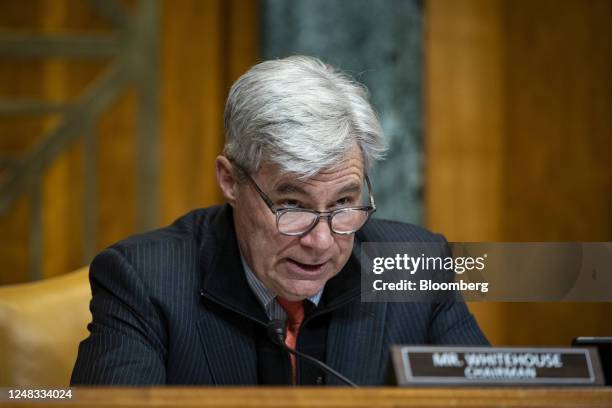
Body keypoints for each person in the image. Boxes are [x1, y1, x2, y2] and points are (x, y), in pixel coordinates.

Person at [71, 56, 487, 386]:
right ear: (230, 180)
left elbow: (497, 398)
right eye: (293, 205)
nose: (322, 241)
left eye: (344, 201)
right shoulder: (144, 281)